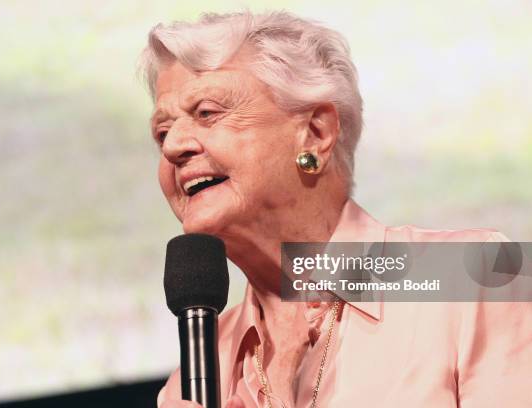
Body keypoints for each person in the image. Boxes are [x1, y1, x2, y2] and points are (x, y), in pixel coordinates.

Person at [138, 10, 532, 408]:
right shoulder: (187, 386)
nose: (173, 147)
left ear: (315, 133)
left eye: (207, 113)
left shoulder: (479, 278)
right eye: (163, 133)